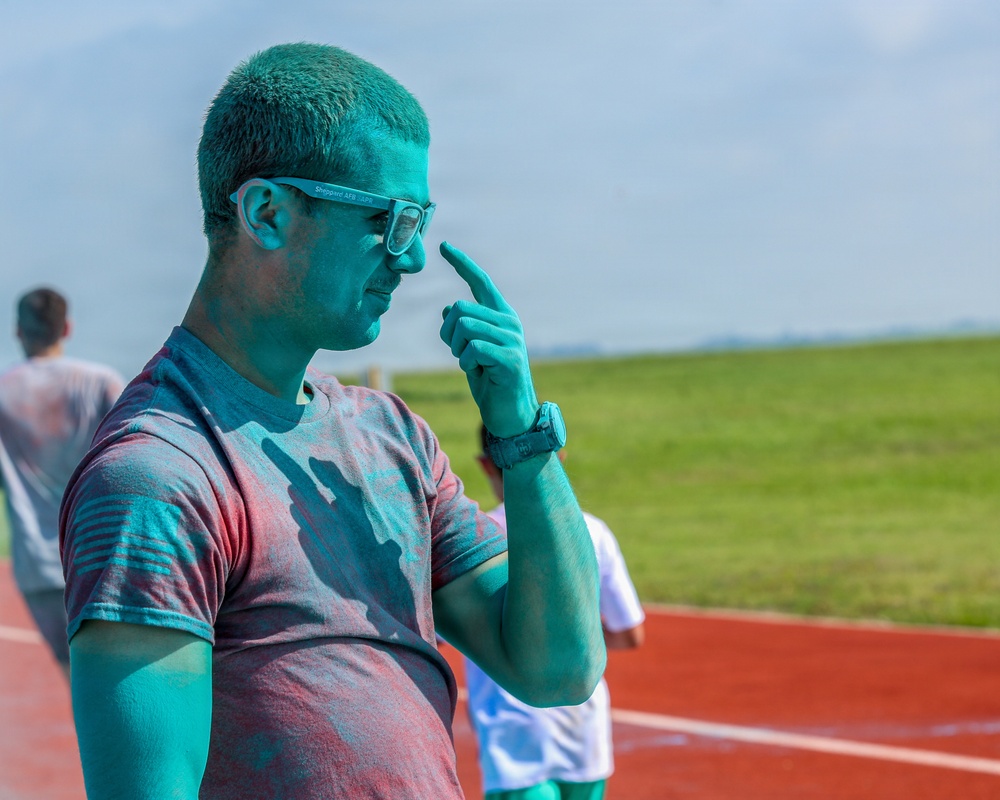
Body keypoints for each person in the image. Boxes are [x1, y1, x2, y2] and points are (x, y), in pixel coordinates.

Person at [59, 42, 604, 799]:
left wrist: (524, 438)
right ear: (267, 213)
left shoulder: (394, 437)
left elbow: (559, 668)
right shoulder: (156, 477)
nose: (410, 261)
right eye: (390, 219)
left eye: (418, 221)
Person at [464, 425, 645, 800]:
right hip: (584, 731)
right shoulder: (592, 531)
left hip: (513, 738)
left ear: (486, 465)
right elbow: (630, 633)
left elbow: (434, 632)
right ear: (558, 457)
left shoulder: (470, 539)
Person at [0, 287, 123, 677]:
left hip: (37, 566)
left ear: (18, 330)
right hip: (101, 553)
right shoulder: (101, 382)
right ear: (66, 327)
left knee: (74, 675)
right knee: (117, 674)